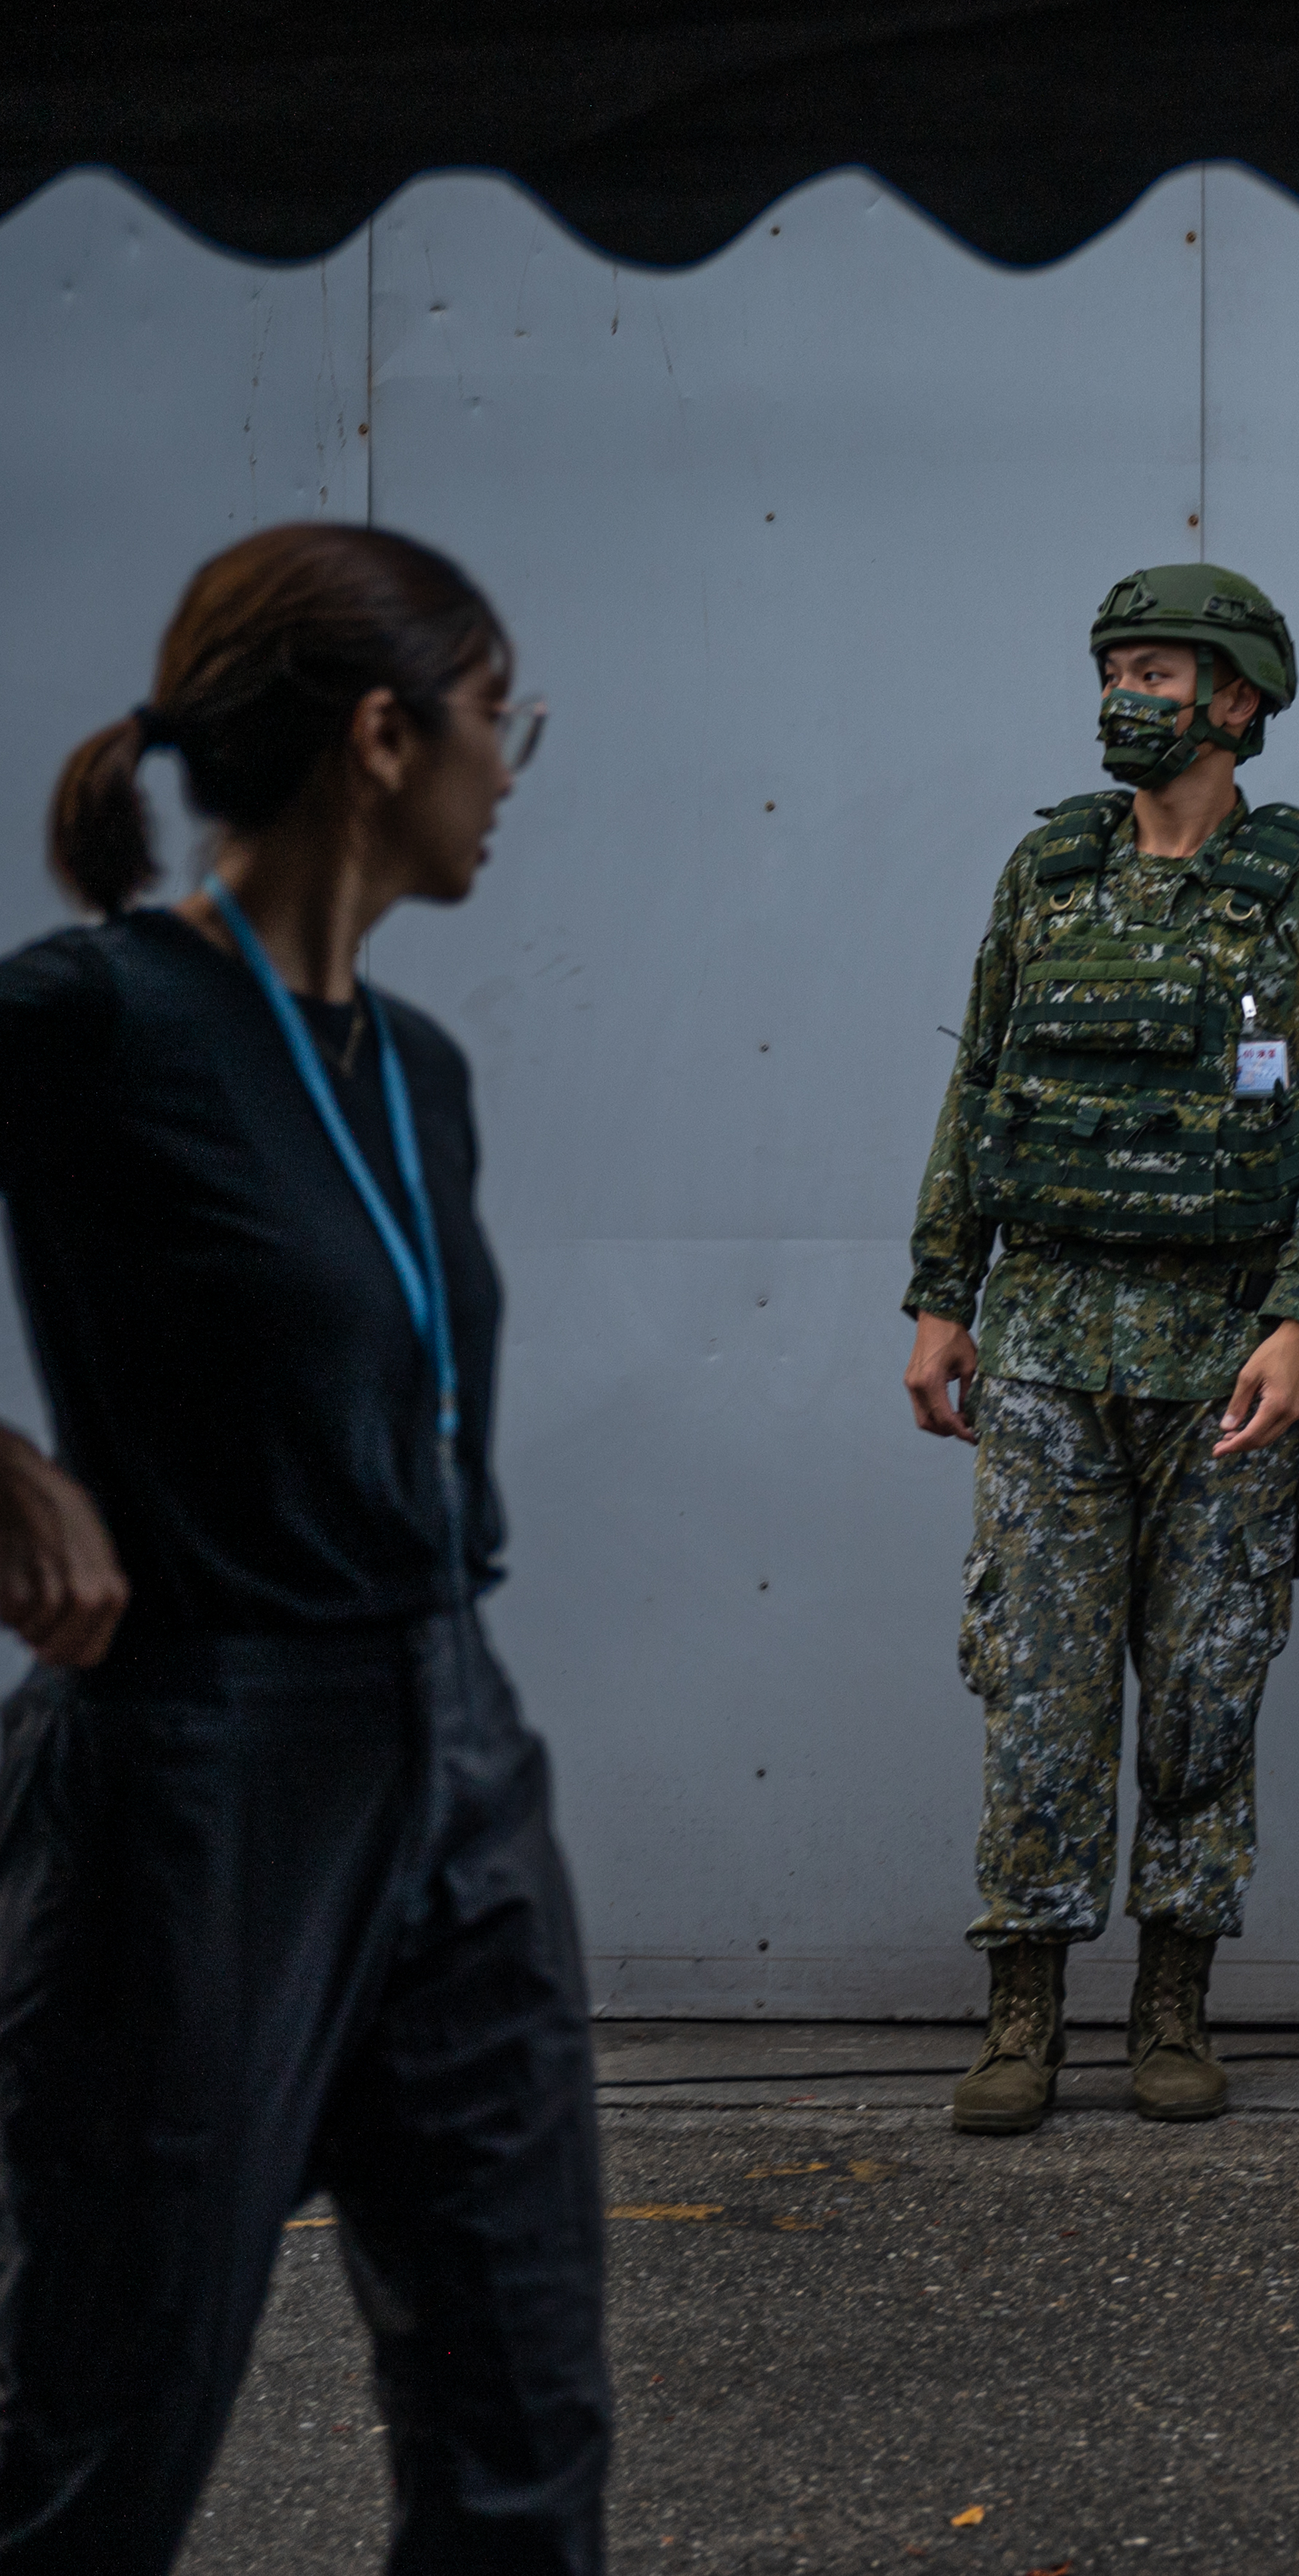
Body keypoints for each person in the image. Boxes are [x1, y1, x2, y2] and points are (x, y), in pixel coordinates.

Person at [0, 525, 606, 2571]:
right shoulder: (93, 1016)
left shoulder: (415, 1069)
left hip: (453, 1742)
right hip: (203, 1775)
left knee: (523, 2412)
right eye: (495, 716)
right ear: (380, 730)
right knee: (106, 2422)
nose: (510, 766)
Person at [902, 564, 1299, 2137]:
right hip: (1050, 1346)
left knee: (1203, 1687)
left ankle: (1175, 2001)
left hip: (1225, 1364)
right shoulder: (1045, 872)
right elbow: (979, 1078)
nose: (1127, 691)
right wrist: (943, 1292)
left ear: (1239, 697)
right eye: (1114, 665)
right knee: (1041, 1682)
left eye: (1158, 668)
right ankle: (1023, 2009)